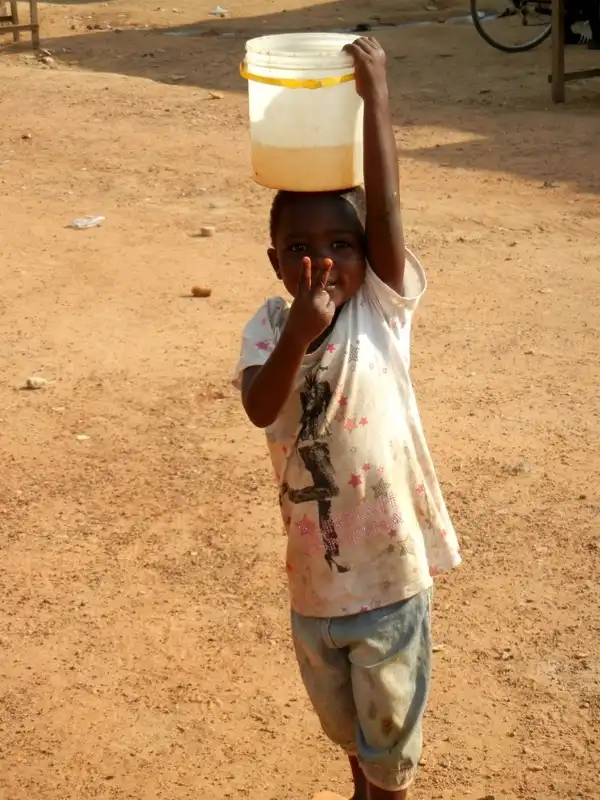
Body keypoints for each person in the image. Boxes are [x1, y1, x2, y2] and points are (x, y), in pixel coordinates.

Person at [233, 37, 461, 800]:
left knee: (389, 744)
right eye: (299, 249)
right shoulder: (269, 327)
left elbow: (388, 210)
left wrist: (377, 100)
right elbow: (259, 405)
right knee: (347, 731)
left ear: (368, 257)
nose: (321, 264)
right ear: (273, 261)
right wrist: (299, 330)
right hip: (315, 586)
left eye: (341, 245)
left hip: (391, 574)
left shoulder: (379, 314)